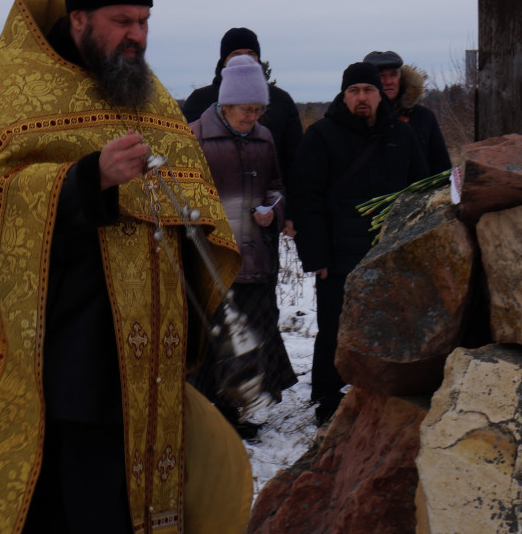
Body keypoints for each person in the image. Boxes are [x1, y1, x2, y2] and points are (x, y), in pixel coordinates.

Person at [0, 0, 250, 533]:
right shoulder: (20, 89)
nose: (136, 35)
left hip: (148, 367)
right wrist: (88, 179)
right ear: (80, 17)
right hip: (68, 369)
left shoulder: (143, 90)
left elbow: (187, 176)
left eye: (144, 21)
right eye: (121, 21)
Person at [292, 61, 428, 423]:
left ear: (380, 95)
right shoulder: (321, 136)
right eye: (354, 91)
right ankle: (328, 399)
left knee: (388, 325)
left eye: (368, 90)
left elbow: (421, 191)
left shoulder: (402, 136)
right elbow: (307, 200)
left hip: (389, 253)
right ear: (344, 95)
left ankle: (381, 393)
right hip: (338, 255)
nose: (362, 98)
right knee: (335, 328)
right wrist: (315, 255)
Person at [189, 55, 299, 439]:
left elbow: (276, 186)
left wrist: (274, 208)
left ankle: (248, 411)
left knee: (254, 334)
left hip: (256, 256)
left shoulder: (264, 139)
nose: (253, 117)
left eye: (258, 110)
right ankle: (214, 414)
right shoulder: (194, 138)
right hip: (213, 258)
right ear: (226, 103)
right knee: (217, 337)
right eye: (247, 109)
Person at [183, 27, 304, 236]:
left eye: (250, 54)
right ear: (223, 61)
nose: (244, 60)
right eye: (235, 54)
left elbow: (296, 164)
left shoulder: (280, 102)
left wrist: (288, 212)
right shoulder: (200, 102)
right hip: (211, 224)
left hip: (262, 222)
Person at [363, 50, 451, 175]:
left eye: (393, 75)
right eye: (381, 76)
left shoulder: (423, 118)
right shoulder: (358, 119)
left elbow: (442, 169)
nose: (388, 81)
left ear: (401, 78)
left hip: (418, 193)